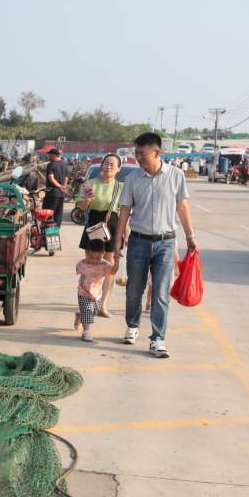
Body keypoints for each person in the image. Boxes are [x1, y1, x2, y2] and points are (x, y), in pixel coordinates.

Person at [113, 132, 198, 358]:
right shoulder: (131, 179)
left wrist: (190, 236)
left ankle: (158, 339)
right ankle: (132, 326)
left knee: (160, 293)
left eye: (142, 153)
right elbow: (124, 211)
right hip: (138, 242)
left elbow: (182, 207)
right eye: (136, 153)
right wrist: (118, 240)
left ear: (157, 152)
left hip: (166, 243)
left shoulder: (176, 175)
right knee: (134, 290)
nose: (138, 157)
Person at [75, 152, 123, 317]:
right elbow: (81, 207)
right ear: (101, 165)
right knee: (91, 264)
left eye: (112, 165)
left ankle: (103, 305)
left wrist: (126, 234)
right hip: (94, 223)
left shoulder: (120, 187)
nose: (108, 167)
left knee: (109, 268)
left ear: (118, 169)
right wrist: (87, 200)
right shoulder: (89, 184)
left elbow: (125, 213)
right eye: (106, 163)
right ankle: (87, 299)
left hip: (112, 224)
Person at [74, 239, 117, 342]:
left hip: (97, 294)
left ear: (103, 254)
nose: (94, 260)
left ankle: (80, 315)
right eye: (91, 257)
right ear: (87, 253)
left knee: (95, 310)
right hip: (83, 292)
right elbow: (78, 271)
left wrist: (117, 261)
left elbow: (113, 271)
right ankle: (86, 331)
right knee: (88, 310)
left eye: (98, 258)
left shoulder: (104, 265)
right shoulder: (82, 264)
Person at [43, 148, 69, 226]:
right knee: (58, 214)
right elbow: (66, 177)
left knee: (48, 214)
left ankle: (46, 233)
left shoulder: (51, 164)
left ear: (54, 155)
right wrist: (64, 186)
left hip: (52, 193)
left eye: (49, 154)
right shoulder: (64, 164)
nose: (48, 156)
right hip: (61, 194)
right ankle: (56, 231)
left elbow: (51, 178)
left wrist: (60, 186)